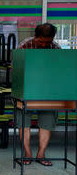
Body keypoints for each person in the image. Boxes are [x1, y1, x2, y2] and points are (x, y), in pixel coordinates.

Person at [17, 23, 60, 166]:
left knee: (47, 121)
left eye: (47, 42)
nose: (43, 45)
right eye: (41, 41)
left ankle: (41, 153)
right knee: (24, 122)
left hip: (48, 90)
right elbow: (16, 69)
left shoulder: (55, 48)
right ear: (36, 37)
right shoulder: (25, 46)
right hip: (25, 89)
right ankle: (27, 152)